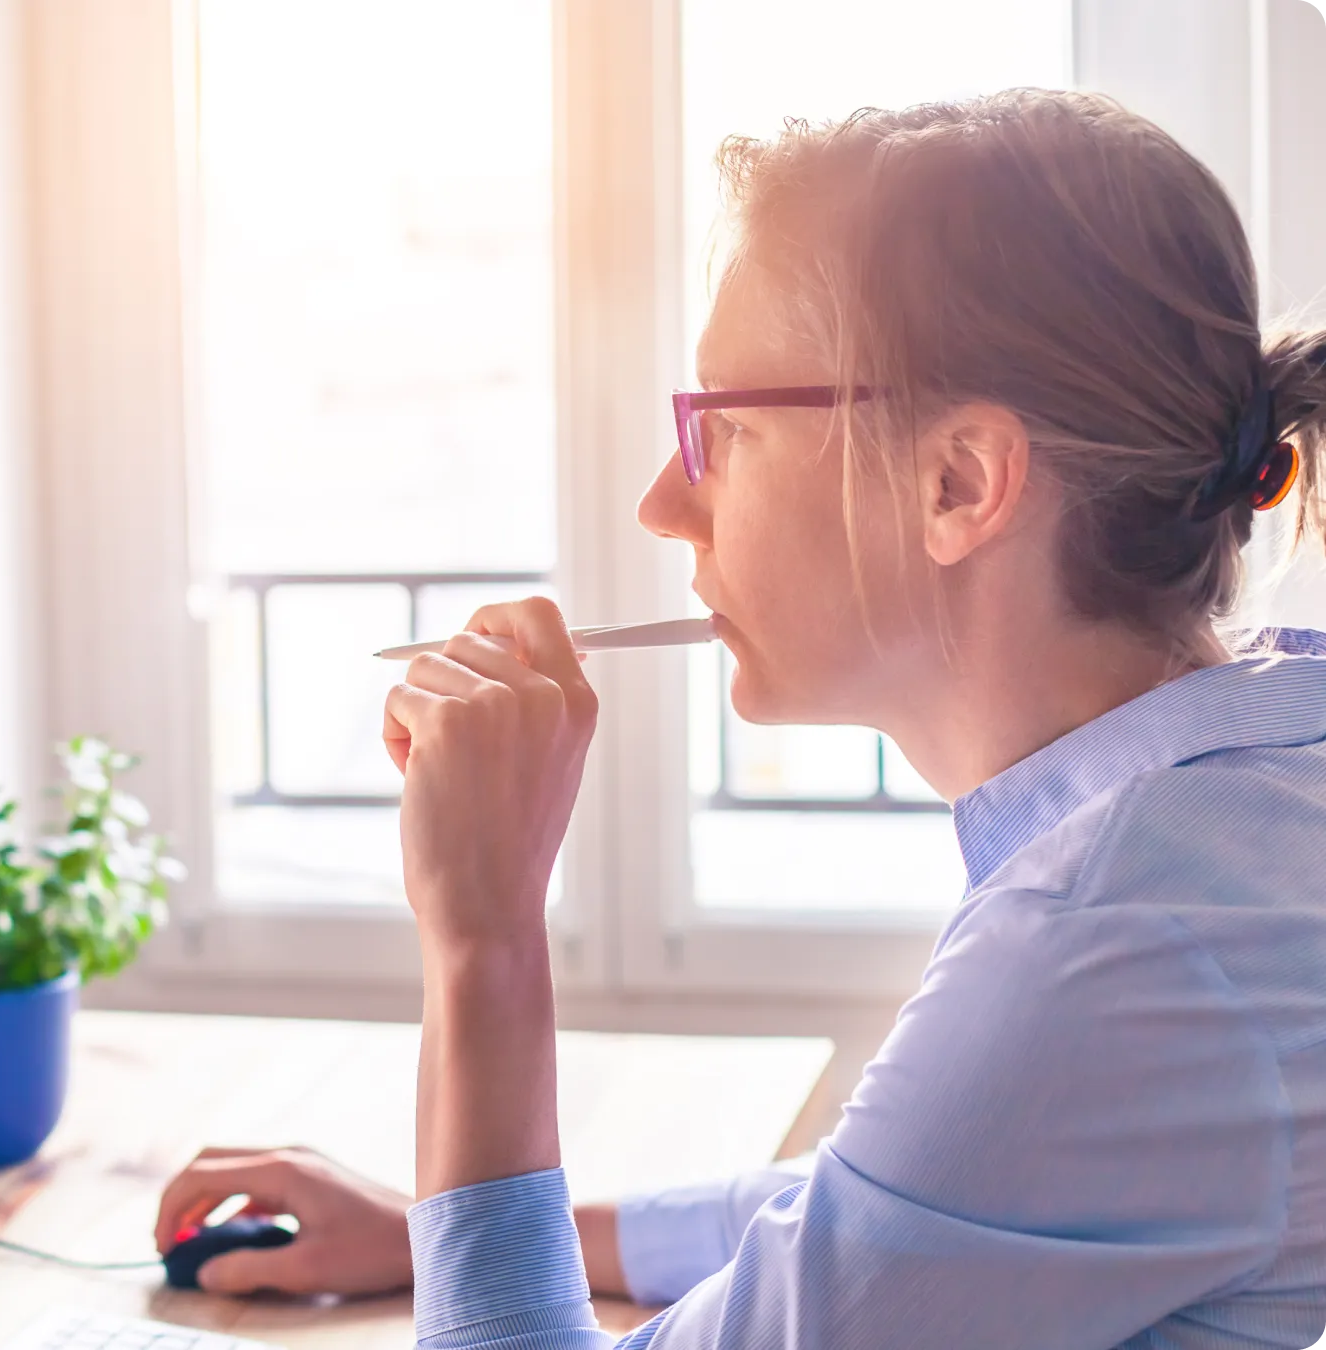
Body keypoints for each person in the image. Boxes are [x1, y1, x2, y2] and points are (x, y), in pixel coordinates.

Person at [155, 88, 1326, 1347]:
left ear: (959, 482)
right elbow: (902, 1210)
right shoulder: (1247, 782)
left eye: (726, 426)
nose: (667, 502)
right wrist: (439, 1231)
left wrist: (485, 938)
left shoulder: (1109, 945)